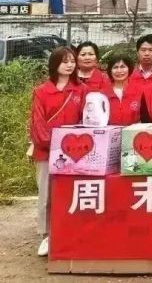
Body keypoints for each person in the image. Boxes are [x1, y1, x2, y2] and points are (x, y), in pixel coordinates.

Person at [28, 47, 86, 257]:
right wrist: (51, 143)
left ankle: (69, 231)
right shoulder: (41, 91)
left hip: (75, 151)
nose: (70, 65)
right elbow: (37, 122)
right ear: (54, 64)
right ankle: (46, 234)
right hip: (46, 150)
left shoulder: (81, 90)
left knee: (70, 191)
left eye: (72, 61)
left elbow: (85, 119)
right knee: (46, 193)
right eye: (64, 61)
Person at [102, 54, 143, 126]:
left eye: (122, 67)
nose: (119, 71)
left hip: (133, 132)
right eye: (115, 67)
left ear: (129, 69)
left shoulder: (140, 91)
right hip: (109, 132)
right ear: (110, 71)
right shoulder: (102, 94)